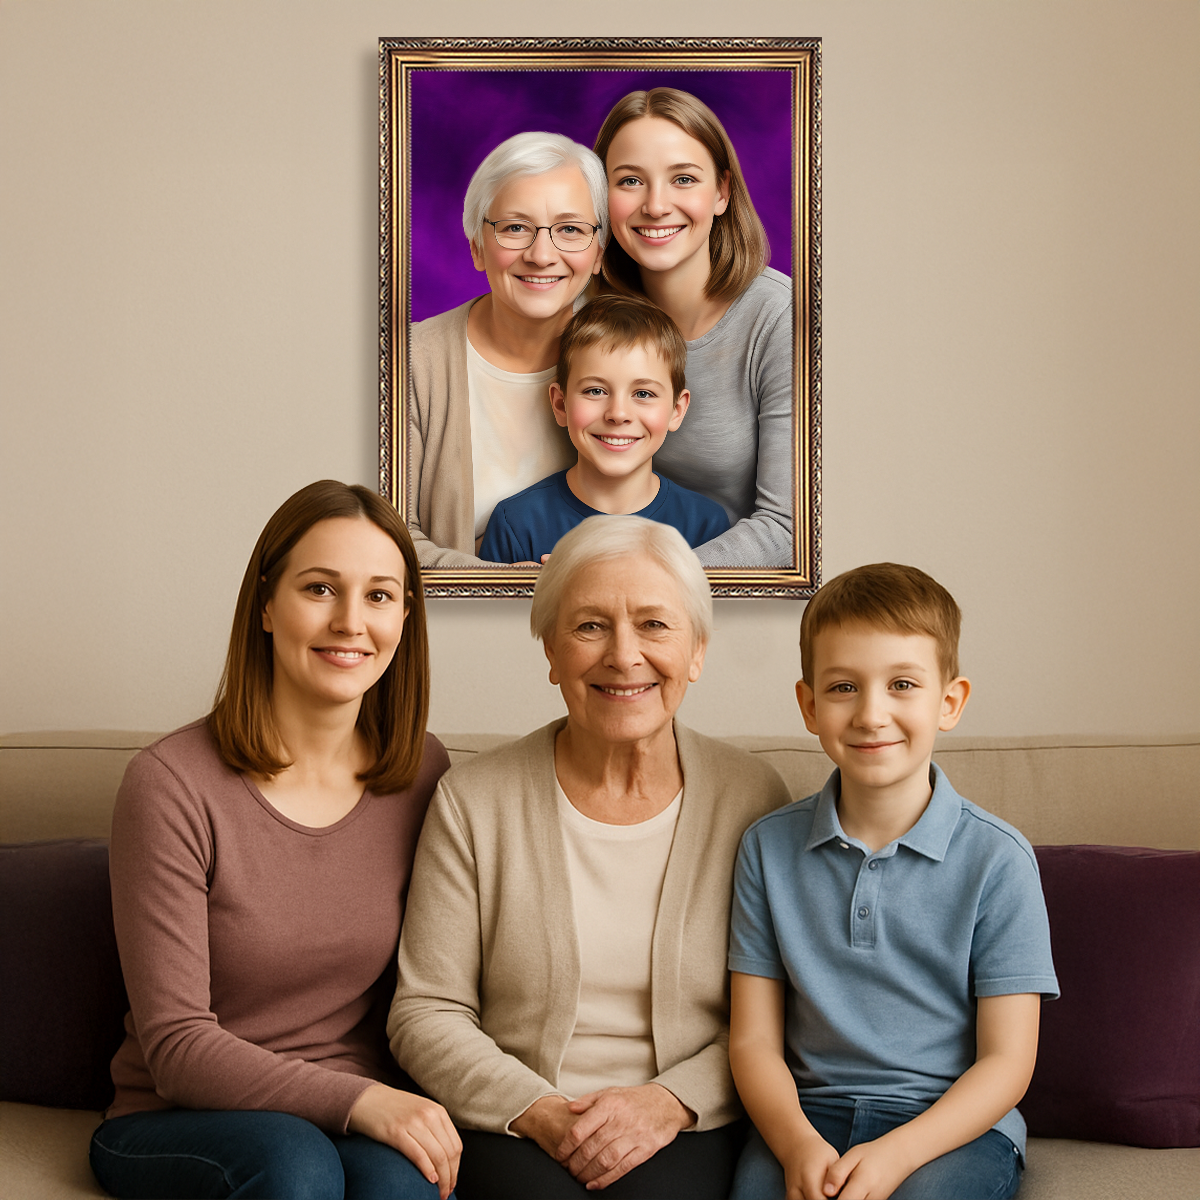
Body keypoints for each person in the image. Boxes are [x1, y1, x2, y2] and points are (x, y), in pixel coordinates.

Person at [389, 516, 791, 1199]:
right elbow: (426, 1011)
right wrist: (543, 1113)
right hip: (514, 1119)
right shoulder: (473, 800)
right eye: (590, 626)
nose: (623, 655)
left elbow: (775, 1013)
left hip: (687, 1120)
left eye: (655, 625)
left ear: (697, 650)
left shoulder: (752, 797)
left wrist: (668, 1102)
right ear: (550, 650)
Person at [89, 481, 461, 1200]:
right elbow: (175, 1047)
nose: (351, 622)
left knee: (404, 1186)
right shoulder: (169, 785)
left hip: (349, 1114)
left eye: (380, 596)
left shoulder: (423, 773)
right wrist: (363, 1101)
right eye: (320, 588)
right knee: (294, 1166)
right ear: (266, 604)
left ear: (405, 617)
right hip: (177, 1118)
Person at [727, 563, 1059, 1200]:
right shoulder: (766, 848)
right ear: (809, 705)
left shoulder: (999, 860)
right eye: (844, 687)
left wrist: (896, 1155)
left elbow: (1007, 1062)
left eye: (902, 684)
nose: (872, 714)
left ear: (950, 702)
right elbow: (754, 1039)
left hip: (950, 1128)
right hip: (807, 1120)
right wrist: (797, 1144)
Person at [593, 87, 794, 569]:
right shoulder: (585, 311)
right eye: (629, 181)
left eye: (683, 179)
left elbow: (788, 528)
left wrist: (642, 578)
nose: (657, 205)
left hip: (734, 599)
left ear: (722, 192)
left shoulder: (779, 316)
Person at [409, 132, 607, 566]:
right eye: (515, 228)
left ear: (598, 253)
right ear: (477, 246)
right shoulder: (412, 365)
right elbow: (391, 536)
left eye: (570, 229)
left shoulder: (638, 356)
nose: (541, 255)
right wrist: (504, 585)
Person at [478, 294, 728, 563]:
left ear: (676, 411)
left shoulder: (707, 528)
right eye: (595, 390)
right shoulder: (516, 524)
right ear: (561, 404)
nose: (618, 414)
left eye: (643, 394)